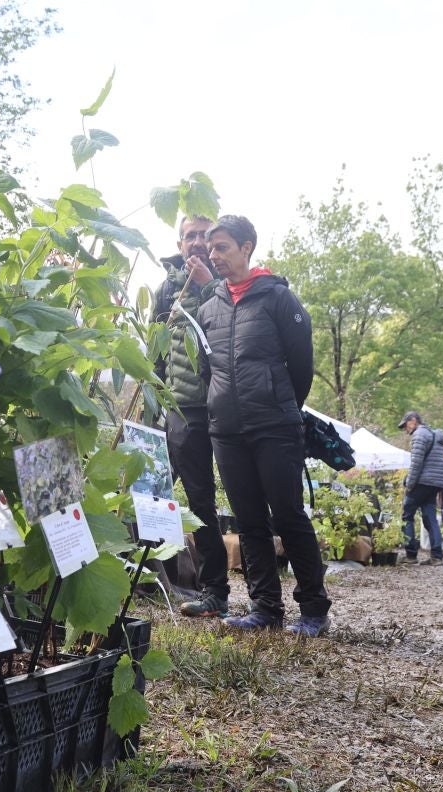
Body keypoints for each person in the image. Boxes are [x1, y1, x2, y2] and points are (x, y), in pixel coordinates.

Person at [196, 215, 331, 636]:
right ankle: (265, 608)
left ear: (247, 247)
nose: (213, 255)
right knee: (247, 519)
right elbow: (207, 370)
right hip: (226, 431)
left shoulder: (279, 299)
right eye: (211, 248)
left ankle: (314, 609)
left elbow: (302, 368)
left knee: (288, 515)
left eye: (222, 247)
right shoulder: (207, 308)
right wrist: (222, 410)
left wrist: (278, 403)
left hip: (274, 425)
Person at [154, 216, 231, 618]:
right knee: (160, 494)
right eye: (191, 236)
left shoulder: (224, 279)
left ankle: (216, 588)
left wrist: (205, 283)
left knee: (208, 500)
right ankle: (160, 581)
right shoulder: (166, 287)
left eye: (205, 236)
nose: (198, 243)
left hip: (220, 406)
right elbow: (154, 349)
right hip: (180, 407)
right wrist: (153, 404)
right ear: (179, 242)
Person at [398, 412, 443, 565]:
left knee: (407, 515)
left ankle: (411, 555)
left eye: (406, 425)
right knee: (430, 517)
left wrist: (409, 484)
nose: (405, 429)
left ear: (413, 421)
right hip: (435, 483)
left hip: (422, 482)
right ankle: (437, 556)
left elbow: (416, 463)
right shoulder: (435, 436)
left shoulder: (419, 435)